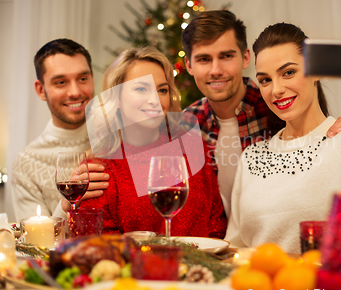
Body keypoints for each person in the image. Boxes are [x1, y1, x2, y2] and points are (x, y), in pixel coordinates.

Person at [181, 10, 341, 217]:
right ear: (188, 65)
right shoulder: (184, 127)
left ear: (245, 58)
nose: (216, 70)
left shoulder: (275, 104)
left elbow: (337, 161)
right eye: (204, 59)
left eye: (226, 56)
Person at [225, 23, 341, 252]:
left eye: (288, 72)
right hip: (258, 285)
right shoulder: (251, 157)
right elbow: (235, 246)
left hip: (325, 286)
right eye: (265, 79)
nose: (276, 89)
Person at [70, 46, 226, 238]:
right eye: (141, 88)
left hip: (203, 266)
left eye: (162, 90)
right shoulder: (99, 167)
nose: (154, 100)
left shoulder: (192, 146)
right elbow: (93, 241)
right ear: (116, 97)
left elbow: (216, 224)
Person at [11, 39, 109, 221]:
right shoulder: (26, 164)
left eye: (82, 79)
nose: (75, 92)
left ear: (92, 79)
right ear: (41, 90)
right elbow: (34, 246)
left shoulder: (118, 137)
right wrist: (67, 203)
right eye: (61, 82)